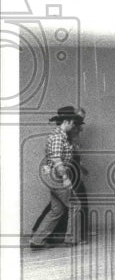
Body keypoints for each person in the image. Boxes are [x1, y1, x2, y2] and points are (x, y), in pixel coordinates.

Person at [29, 106, 83, 248]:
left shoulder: (57, 135)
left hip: (52, 175)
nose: (73, 125)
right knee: (75, 205)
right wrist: (65, 178)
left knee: (57, 210)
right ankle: (71, 240)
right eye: (72, 122)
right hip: (57, 176)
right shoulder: (59, 137)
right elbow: (56, 159)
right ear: (66, 121)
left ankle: (37, 241)